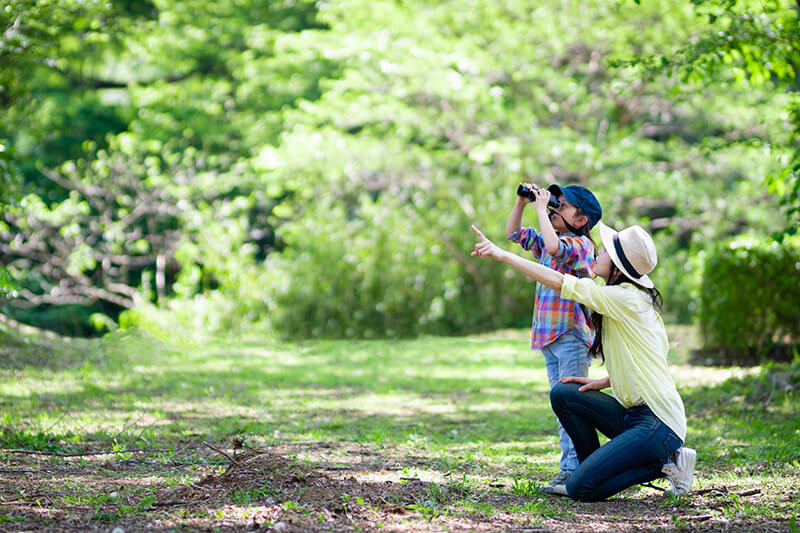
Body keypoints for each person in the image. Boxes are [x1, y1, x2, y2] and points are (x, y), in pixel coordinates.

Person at [471, 221, 696, 501]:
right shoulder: (624, 300)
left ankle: (665, 465)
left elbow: (557, 280)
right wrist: (603, 381)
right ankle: (591, 467)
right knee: (565, 393)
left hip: (658, 424)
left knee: (580, 489)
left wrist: (502, 254)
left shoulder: (626, 298)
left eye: (604, 251)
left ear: (617, 267)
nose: (597, 252)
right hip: (634, 416)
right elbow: (648, 357)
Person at [505, 183, 602, 493]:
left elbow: (553, 249)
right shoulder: (554, 236)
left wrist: (540, 209)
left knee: (570, 407)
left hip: (571, 335)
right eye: (556, 202)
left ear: (581, 219)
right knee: (561, 406)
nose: (555, 206)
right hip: (549, 337)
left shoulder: (581, 245)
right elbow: (513, 234)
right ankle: (570, 468)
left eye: (563, 204)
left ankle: (571, 470)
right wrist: (522, 203)